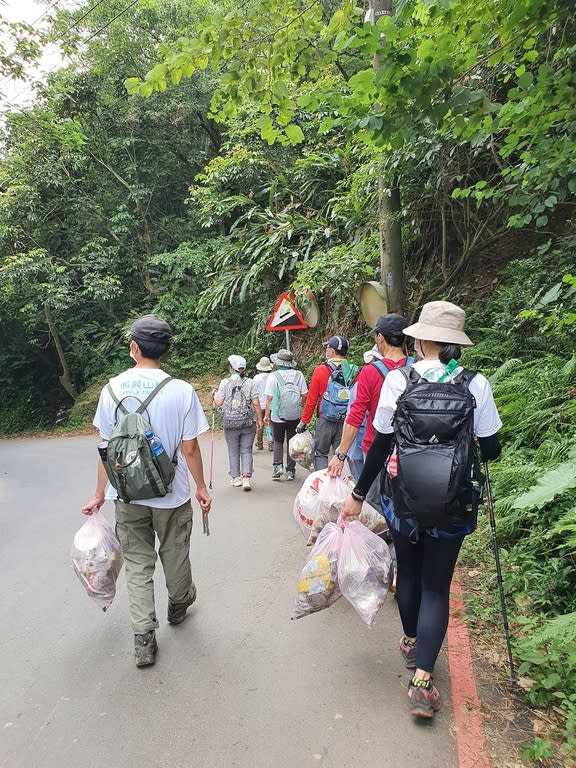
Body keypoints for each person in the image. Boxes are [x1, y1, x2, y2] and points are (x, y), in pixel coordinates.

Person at [341, 301, 502, 719]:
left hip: (404, 501)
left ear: (420, 338)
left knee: (408, 574)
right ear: (455, 343)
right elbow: (492, 449)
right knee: (436, 587)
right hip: (452, 504)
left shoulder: (399, 380)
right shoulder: (475, 384)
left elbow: (379, 445)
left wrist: (358, 494)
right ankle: (423, 682)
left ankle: (411, 641)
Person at [81, 315, 212, 668]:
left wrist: (98, 493)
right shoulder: (181, 390)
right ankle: (180, 602)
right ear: (166, 350)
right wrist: (201, 488)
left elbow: (107, 449)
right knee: (175, 553)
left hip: (126, 495)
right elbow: (189, 449)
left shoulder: (110, 390)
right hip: (171, 494)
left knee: (138, 563)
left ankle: (143, 638)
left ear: (134, 348)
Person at [328, 314, 410, 510]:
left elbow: (355, 416)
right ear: (405, 339)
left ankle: (378, 539)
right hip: (409, 449)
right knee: (404, 502)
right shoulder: (416, 368)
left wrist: (341, 454)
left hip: (376, 449)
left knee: (374, 503)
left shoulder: (370, 372)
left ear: (380, 338)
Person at [296, 335, 359, 470]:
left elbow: (312, 399)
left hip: (324, 418)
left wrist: (304, 421)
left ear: (332, 351)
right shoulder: (353, 370)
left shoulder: (320, 370)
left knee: (321, 453)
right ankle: (341, 485)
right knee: (341, 453)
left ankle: (322, 485)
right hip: (346, 419)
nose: (326, 350)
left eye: (328, 347)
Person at [213, 354, 262, 491]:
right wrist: (259, 420)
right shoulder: (250, 382)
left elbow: (219, 402)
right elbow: (256, 403)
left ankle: (236, 478)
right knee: (246, 449)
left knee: (233, 449)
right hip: (247, 422)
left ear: (231, 368)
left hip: (229, 423)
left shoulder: (225, 382)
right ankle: (246, 477)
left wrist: (214, 394)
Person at [263, 348, 308, 481]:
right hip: (294, 415)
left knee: (278, 441)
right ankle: (290, 471)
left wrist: (267, 414)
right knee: (292, 442)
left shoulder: (273, 376)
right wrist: (296, 405)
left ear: (278, 362)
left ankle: (277, 468)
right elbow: (305, 394)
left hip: (277, 415)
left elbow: (269, 398)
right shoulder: (299, 375)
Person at [253, 356, 274, 451]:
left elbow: (253, 392)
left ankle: (260, 443)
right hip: (269, 404)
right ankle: (270, 443)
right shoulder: (273, 377)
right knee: (268, 424)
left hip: (259, 404)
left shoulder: (256, 378)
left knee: (259, 424)